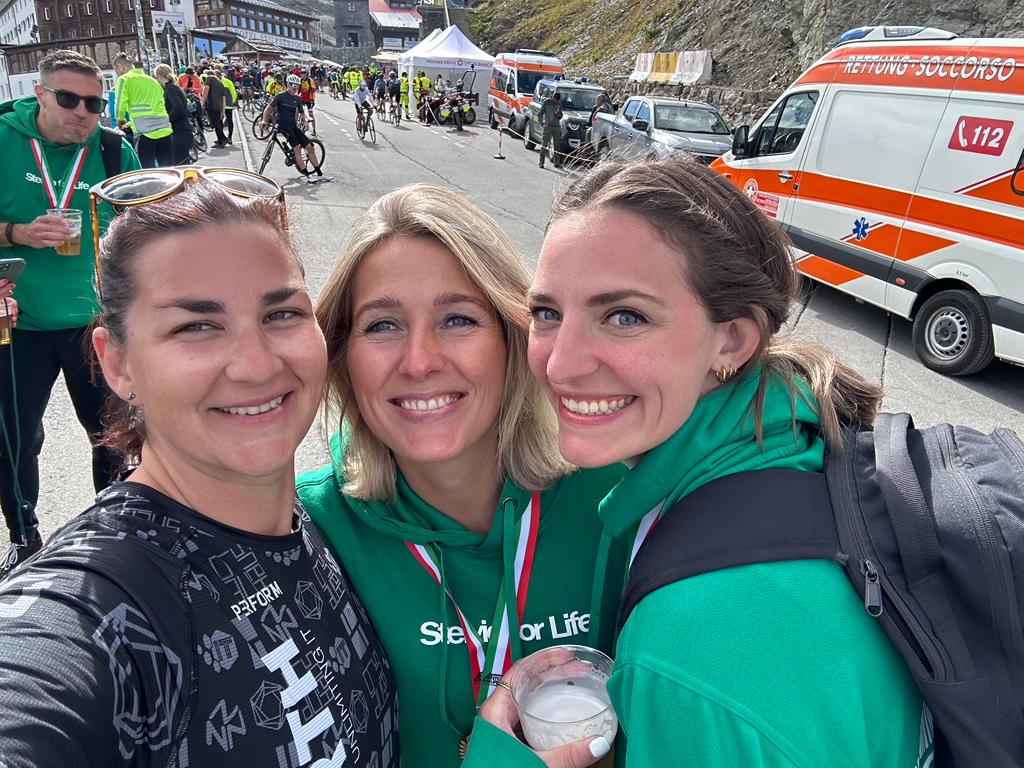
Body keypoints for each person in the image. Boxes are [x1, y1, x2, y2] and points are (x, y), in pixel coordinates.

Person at [465, 157, 932, 768]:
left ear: (732, 341)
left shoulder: (692, 647)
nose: (559, 364)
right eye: (548, 313)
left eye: (624, 316)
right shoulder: (803, 448)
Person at [0, 170, 400, 765]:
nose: (256, 365)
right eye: (196, 326)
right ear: (118, 364)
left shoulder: (318, 526)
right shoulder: (103, 600)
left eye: (282, 314)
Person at [297, 184, 625, 766]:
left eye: (457, 319)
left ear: (511, 339)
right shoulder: (310, 531)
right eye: (381, 326)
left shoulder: (613, 500)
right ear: (343, 356)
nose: (420, 361)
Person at [0, 49, 140, 568]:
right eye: (68, 99)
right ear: (39, 95)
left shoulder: (111, 150)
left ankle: (113, 529)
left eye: (94, 103)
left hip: (95, 324)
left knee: (113, 433)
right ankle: (24, 537)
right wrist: (15, 233)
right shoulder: (3, 140)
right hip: (19, 323)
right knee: (14, 441)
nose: (82, 112)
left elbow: (145, 229)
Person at [261, 74, 329, 184]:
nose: (295, 87)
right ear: (287, 84)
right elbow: (268, 109)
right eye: (293, 85)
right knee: (297, 148)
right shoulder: (280, 96)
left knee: (310, 148)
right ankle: (308, 175)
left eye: (297, 85)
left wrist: (306, 120)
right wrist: (264, 120)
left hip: (293, 126)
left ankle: (320, 174)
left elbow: (302, 113)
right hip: (283, 127)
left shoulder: (297, 98)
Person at [112, 53, 173, 168]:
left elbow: (120, 104)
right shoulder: (153, 81)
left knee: (147, 172)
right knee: (168, 169)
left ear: (121, 67)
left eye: (116, 71)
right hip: (165, 130)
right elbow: (155, 108)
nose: (117, 74)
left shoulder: (124, 79)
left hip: (145, 133)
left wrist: (119, 120)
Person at [154, 64, 193, 165]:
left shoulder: (170, 88)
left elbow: (178, 107)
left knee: (180, 165)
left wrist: (167, 120)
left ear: (160, 76)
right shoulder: (175, 85)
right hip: (184, 130)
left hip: (179, 131)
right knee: (184, 164)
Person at [201, 66, 229, 147]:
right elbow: (224, 98)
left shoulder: (209, 78)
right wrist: (223, 111)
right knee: (219, 124)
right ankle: (222, 139)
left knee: (216, 124)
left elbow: (206, 89)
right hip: (219, 106)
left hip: (212, 105)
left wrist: (203, 102)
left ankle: (221, 141)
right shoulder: (220, 82)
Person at [537, 91, 562, 169]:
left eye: (557, 100)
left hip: (556, 126)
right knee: (544, 144)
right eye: (555, 99)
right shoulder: (546, 102)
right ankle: (541, 162)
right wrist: (542, 123)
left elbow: (561, 115)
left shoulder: (559, 103)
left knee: (557, 145)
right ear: (553, 97)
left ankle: (557, 163)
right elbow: (540, 114)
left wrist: (559, 115)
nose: (556, 101)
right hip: (548, 126)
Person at [219, 68, 238, 144]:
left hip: (226, 105)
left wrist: (231, 101)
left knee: (227, 120)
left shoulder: (227, 82)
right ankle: (225, 137)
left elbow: (233, 93)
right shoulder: (225, 82)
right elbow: (234, 93)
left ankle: (228, 137)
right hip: (222, 105)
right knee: (224, 121)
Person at [298, 70, 317, 134]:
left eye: (304, 74)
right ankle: (301, 126)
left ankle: (314, 130)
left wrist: (313, 99)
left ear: (306, 74)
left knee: (311, 114)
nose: (303, 75)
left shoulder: (310, 81)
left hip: (309, 100)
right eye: (302, 74)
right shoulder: (300, 80)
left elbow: (313, 91)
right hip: (302, 99)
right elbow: (298, 89)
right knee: (300, 112)